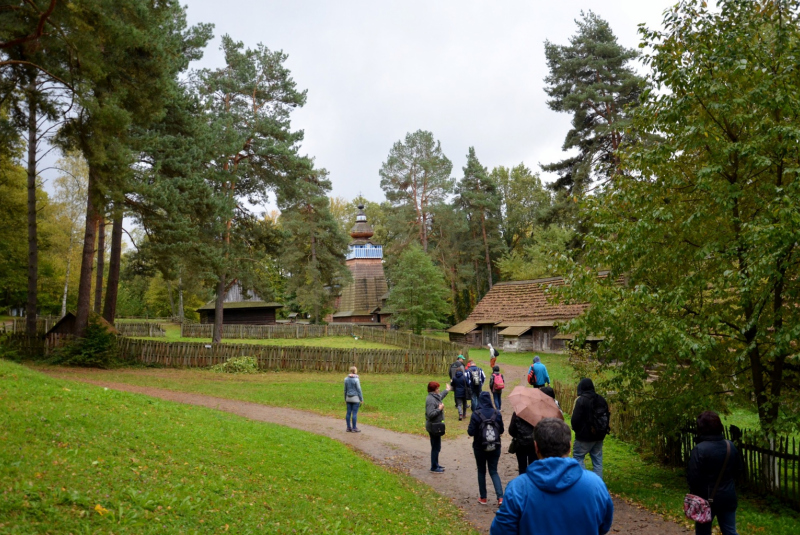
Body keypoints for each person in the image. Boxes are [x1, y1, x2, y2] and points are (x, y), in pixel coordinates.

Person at [490, 418, 614, 535]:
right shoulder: (595, 485)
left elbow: (501, 531)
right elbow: (604, 525)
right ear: (570, 446)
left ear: (536, 447)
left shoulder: (518, 489)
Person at [687, 411, 743, 535]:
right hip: (728, 496)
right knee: (730, 530)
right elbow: (739, 470)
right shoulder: (730, 446)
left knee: (703, 532)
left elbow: (693, 478)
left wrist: (696, 494)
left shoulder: (700, 449)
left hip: (705, 499)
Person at [467, 391, 504, 505]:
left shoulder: (476, 414)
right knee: (493, 471)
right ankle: (500, 497)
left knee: (481, 470)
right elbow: (501, 430)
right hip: (495, 446)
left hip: (480, 447)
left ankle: (483, 497)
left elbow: (470, 432)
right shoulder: (497, 413)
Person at [571, 378, 610, 479]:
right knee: (597, 461)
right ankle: (597, 485)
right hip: (599, 435)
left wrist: (578, 431)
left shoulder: (581, 401)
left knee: (578, 457)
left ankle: (584, 483)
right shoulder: (601, 399)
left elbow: (575, 420)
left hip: (584, 437)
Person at [425, 381, 452, 473]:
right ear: (434, 390)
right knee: (435, 447)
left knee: (437, 446)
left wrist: (447, 390)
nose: (438, 390)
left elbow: (440, 396)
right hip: (433, 426)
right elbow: (430, 414)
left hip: (436, 426)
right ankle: (434, 467)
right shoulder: (430, 400)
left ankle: (436, 464)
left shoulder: (434, 397)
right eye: (437, 388)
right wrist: (439, 409)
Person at [344, 366, 363, 433]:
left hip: (348, 398)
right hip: (355, 398)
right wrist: (361, 399)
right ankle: (354, 428)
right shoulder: (356, 380)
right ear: (355, 371)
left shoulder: (346, 379)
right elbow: (359, 390)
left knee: (348, 413)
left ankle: (348, 427)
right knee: (354, 413)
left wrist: (345, 398)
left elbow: (345, 390)